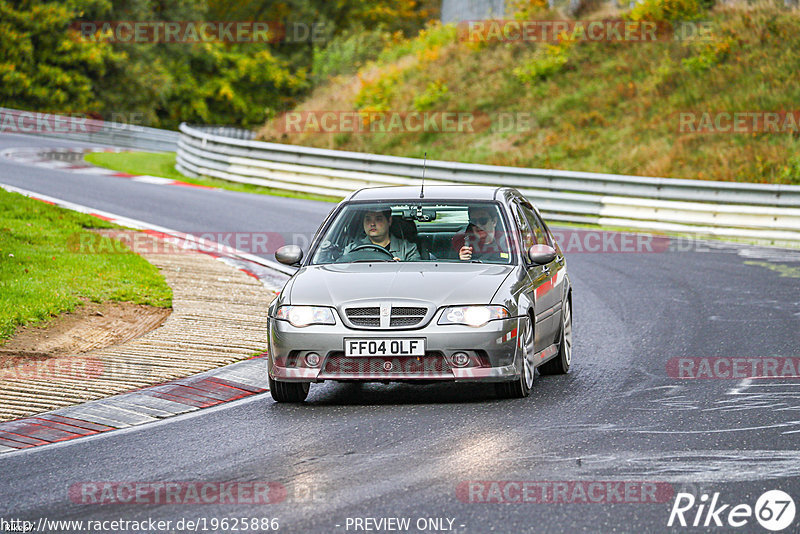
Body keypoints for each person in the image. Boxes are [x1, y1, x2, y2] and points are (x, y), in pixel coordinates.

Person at [342, 207, 420, 261]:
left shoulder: (408, 249)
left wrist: (398, 266)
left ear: (389, 221)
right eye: (368, 219)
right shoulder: (353, 249)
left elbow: (414, 274)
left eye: (378, 219)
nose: (372, 224)